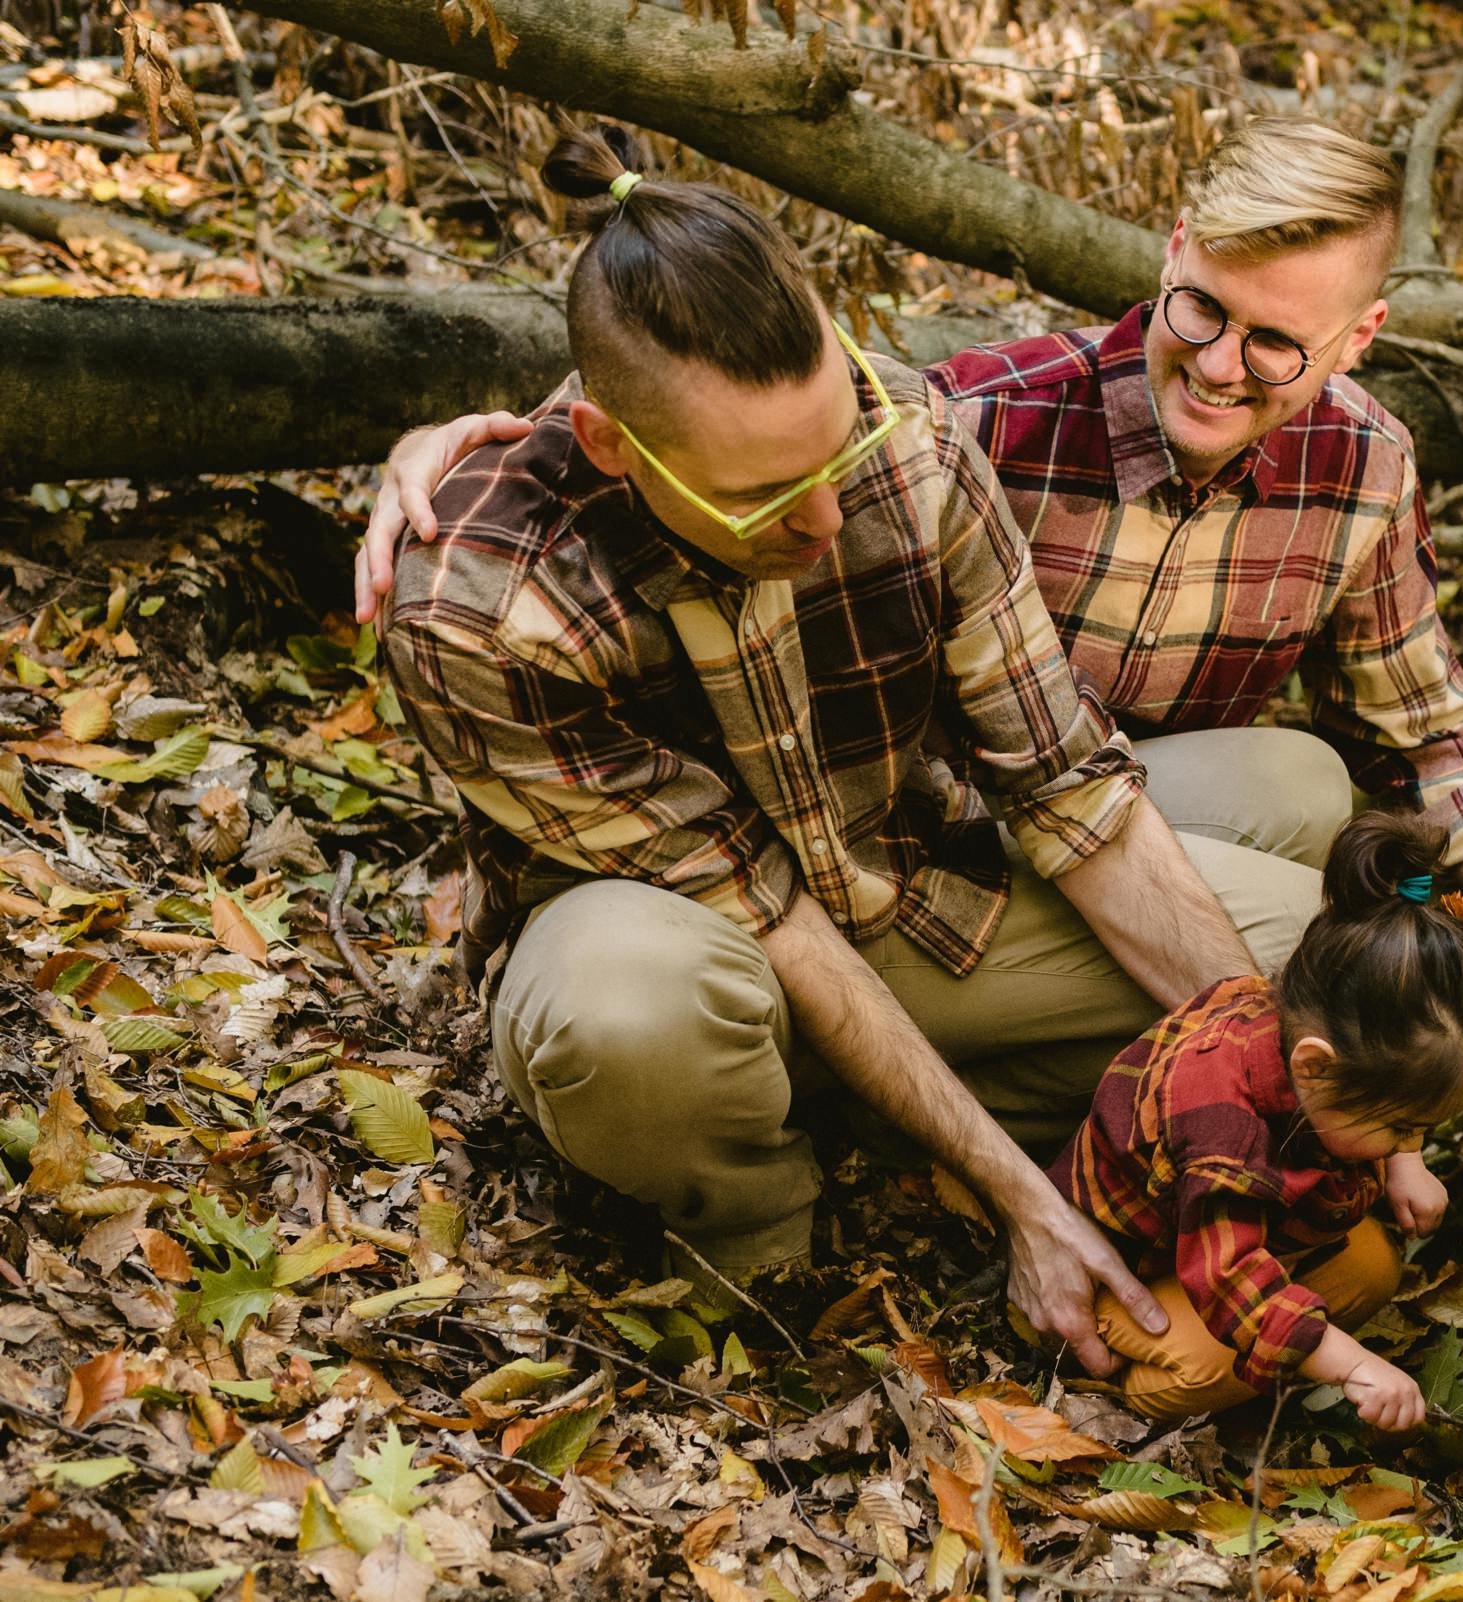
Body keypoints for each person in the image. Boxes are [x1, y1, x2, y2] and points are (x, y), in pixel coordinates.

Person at [381, 125, 1339, 1377]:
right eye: (772, 503)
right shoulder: (484, 612)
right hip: (683, 944)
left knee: (1308, 963)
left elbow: (1063, 783)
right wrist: (1024, 1208)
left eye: (840, 452)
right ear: (616, 446)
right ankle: (764, 1228)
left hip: (906, 884)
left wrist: (1273, 1100)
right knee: (627, 1024)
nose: (832, 516)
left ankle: (922, 1116)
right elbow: (762, 911)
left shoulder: (911, 439)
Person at [354, 116, 1463, 992]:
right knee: (1303, 927)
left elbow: (1428, 726)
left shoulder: (1366, 468)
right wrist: (474, 453)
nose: (1215, 364)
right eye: (1204, 309)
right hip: (913, 815)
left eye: (1275, 345)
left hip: (1097, 803)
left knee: (1309, 780)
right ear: (1176, 246)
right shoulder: (991, 412)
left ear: (1356, 341)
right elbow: (727, 411)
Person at [1047, 811, 1463, 1426]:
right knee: (1207, 1364)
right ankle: (1132, 1385)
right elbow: (1228, 1274)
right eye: (1400, 1127)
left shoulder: (1301, 1018)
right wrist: (1351, 1364)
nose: (1411, 1141)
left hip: (1237, 1221)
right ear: (1317, 1068)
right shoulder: (1223, 1133)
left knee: (1373, 1265)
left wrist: (1403, 1160)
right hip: (1134, 1266)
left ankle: (1289, 1340)